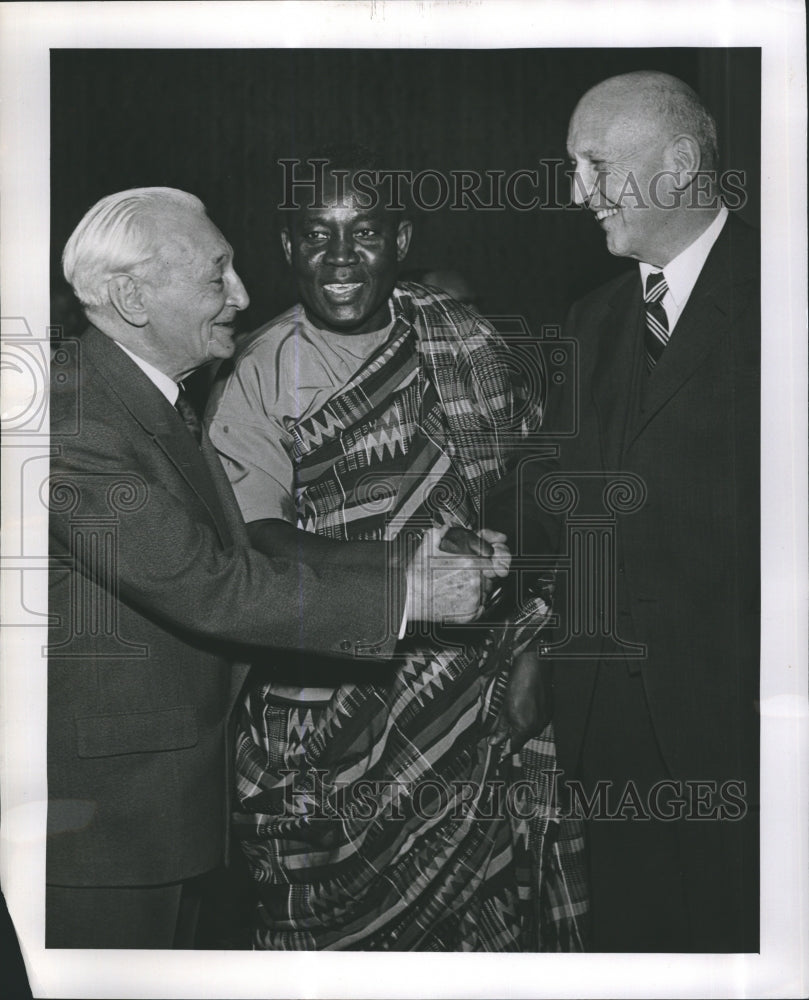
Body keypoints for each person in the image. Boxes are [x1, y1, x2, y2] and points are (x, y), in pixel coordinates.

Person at [46, 187, 503, 949]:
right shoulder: (76, 423)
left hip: (164, 802)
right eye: (215, 276)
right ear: (131, 297)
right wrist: (407, 593)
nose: (242, 295)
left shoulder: (146, 399)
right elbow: (212, 587)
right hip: (110, 823)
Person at [206, 150, 588, 951]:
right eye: (317, 234)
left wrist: (539, 652)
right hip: (333, 705)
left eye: (366, 233)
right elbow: (255, 538)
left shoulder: (464, 339)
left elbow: (535, 504)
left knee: (481, 931)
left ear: (402, 240)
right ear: (288, 247)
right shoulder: (258, 371)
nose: (341, 257)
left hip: (479, 699)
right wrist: (408, 568)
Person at [538, 71, 759, 951]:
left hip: (742, 729)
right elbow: (571, 507)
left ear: (678, 163)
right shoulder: (589, 320)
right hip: (610, 729)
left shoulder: (785, 292)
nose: (575, 193)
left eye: (595, 165)